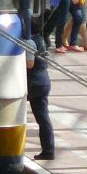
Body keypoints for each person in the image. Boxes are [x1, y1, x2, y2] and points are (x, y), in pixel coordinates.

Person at [26, 18, 55, 161]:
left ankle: (48, 150)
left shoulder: (30, 42)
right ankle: (48, 150)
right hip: (44, 81)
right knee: (43, 118)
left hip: (33, 83)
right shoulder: (41, 40)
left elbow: (30, 64)